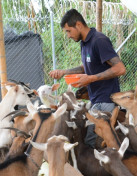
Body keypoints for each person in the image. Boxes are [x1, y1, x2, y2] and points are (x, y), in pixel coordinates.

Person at [49, 8, 126, 148]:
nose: (68, 35)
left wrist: (90, 79)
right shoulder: (84, 43)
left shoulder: (99, 40)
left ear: (78, 25)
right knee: (86, 135)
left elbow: (120, 69)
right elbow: (86, 67)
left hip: (105, 100)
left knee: (92, 140)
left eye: (68, 31)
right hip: (95, 99)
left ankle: (103, 167)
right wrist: (64, 72)